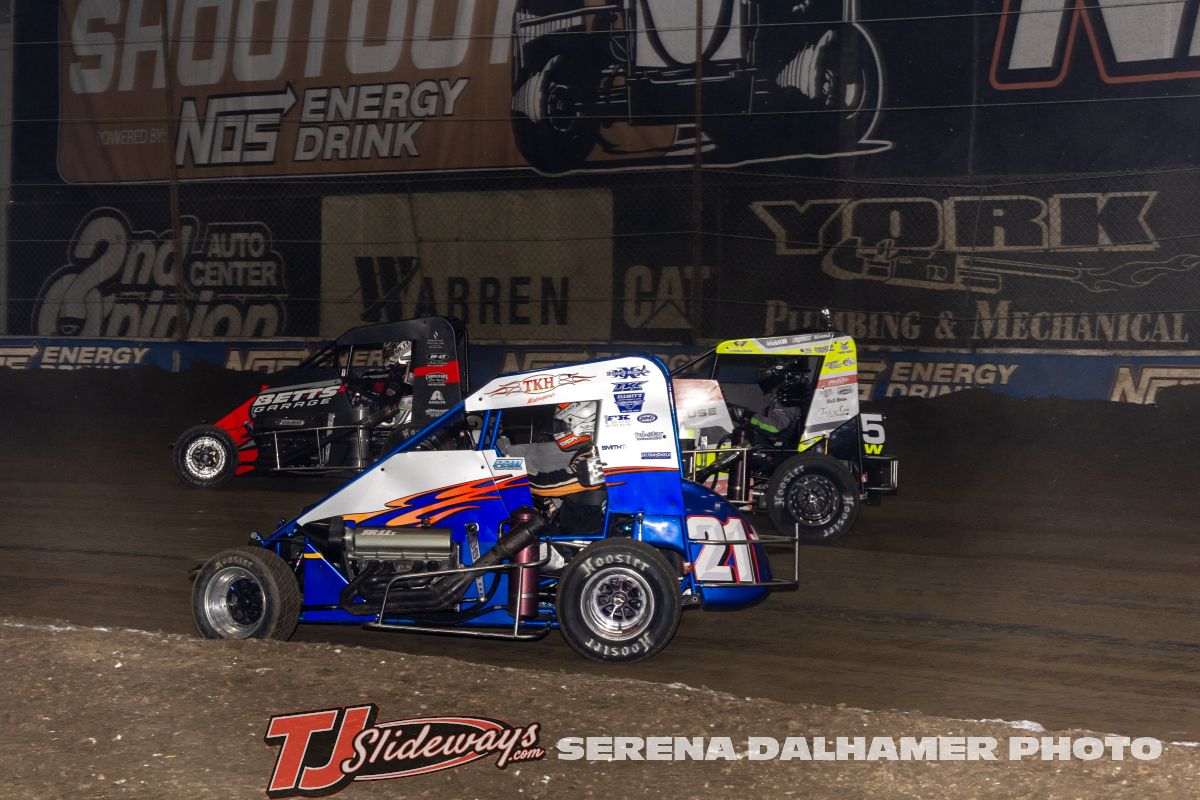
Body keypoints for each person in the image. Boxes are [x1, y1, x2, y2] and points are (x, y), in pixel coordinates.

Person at [525, 401, 607, 535]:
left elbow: (546, 486)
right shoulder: (589, 453)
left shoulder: (597, 458)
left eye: (561, 426)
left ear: (584, 424)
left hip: (584, 535)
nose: (558, 431)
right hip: (578, 526)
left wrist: (517, 476)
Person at [748, 361, 810, 445]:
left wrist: (746, 416)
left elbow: (774, 427)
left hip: (785, 450)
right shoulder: (780, 401)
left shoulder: (789, 401)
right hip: (774, 447)